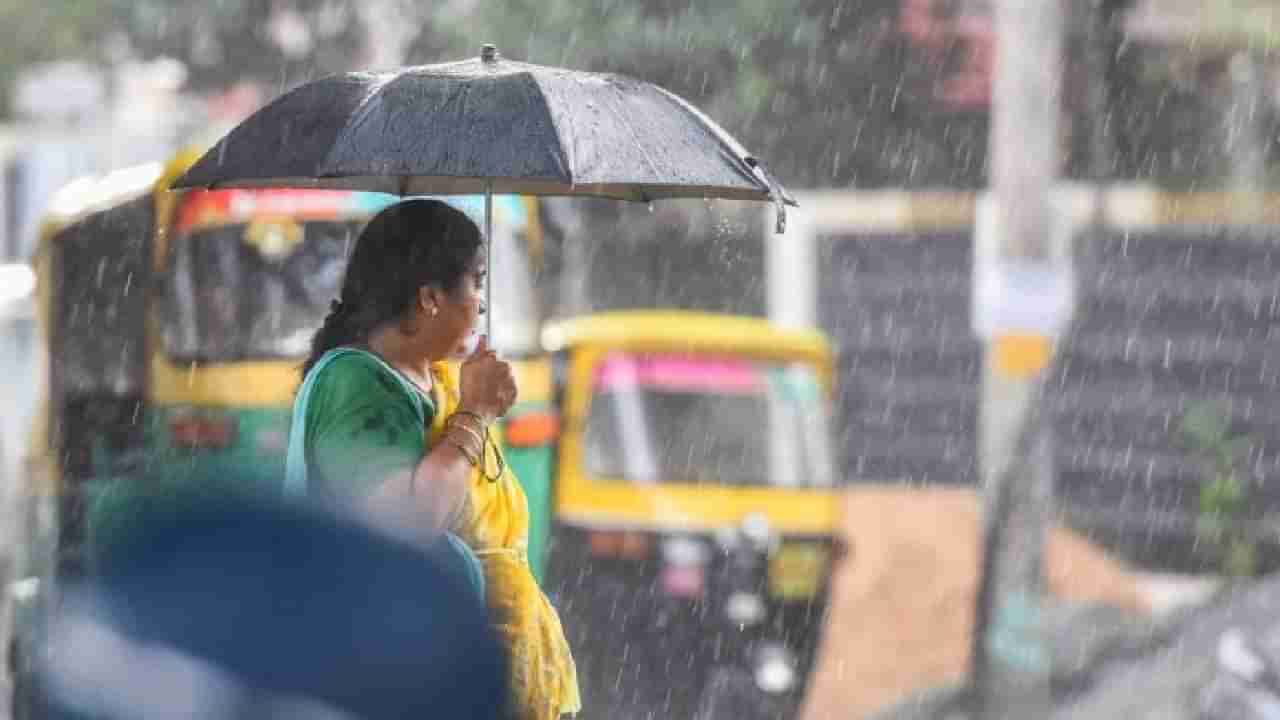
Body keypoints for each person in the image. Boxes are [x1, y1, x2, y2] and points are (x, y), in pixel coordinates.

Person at [285, 198, 580, 720]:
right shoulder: (356, 383)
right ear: (428, 298)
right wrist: (475, 413)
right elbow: (408, 522)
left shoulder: (434, 379)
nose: (483, 304)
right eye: (477, 281)